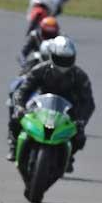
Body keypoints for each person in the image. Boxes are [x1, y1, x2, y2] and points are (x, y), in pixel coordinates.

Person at [8, 36, 95, 171]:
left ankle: (69, 156)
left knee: (80, 137)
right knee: (15, 120)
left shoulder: (79, 76)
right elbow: (22, 90)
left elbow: (88, 102)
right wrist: (19, 106)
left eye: (67, 59)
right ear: (52, 56)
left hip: (66, 111)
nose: (63, 63)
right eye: (60, 58)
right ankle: (13, 147)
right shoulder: (40, 69)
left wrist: (81, 120)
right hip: (40, 106)